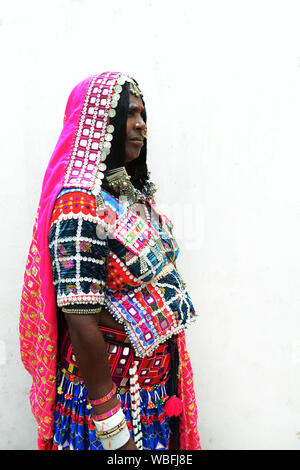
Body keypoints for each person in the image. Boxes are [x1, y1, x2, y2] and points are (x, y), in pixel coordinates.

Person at [19, 71, 201, 451]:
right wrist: (113, 430)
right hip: (111, 408)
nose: (140, 125)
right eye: (130, 115)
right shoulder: (78, 204)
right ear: (100, 123)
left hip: (149, 396)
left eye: (143, 116)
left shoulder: (124, 198)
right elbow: (80, 317)